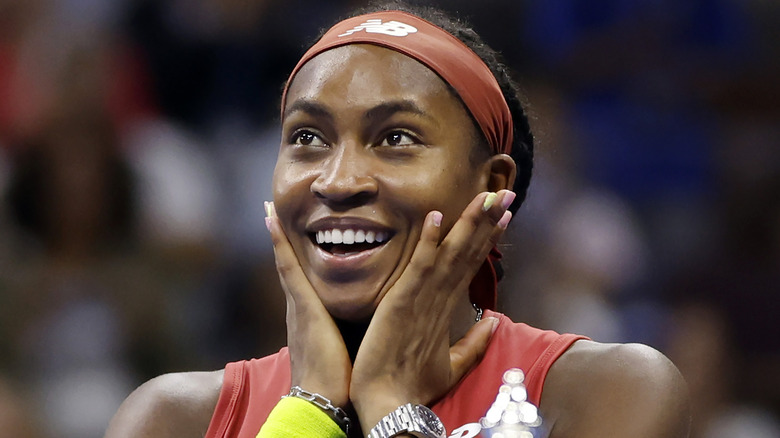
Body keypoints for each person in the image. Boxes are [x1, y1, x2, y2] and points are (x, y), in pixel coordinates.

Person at [105, 2, 690, 437]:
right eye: (307, 137)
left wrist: (392, 409)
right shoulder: (171, 418)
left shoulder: (606, 392)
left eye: (395, 138)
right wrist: (309, 411)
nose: (337, 181)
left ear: (492, 186)